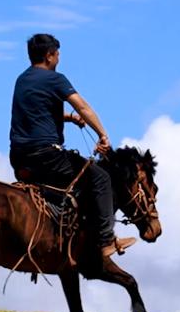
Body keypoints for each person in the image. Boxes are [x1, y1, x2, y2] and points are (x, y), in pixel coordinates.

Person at [9, 33, 136, 272]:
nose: (58, 58)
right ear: (49, 55)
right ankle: (106, 240)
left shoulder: (22, 80)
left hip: (19, 158)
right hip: (48, 157)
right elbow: (83, 106)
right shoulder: (55, 79)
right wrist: (102, 135)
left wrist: (67, 118)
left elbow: (37, 114)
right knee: (100, 178)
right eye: (57, 54)